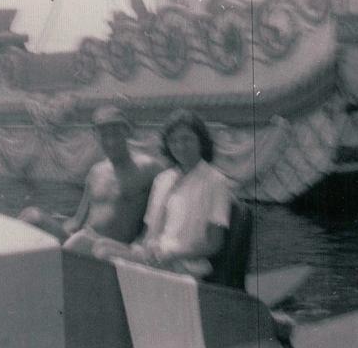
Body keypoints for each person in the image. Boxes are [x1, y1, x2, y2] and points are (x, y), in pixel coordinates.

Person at [93, 109, 231, 278]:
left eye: (187, 139)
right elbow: (149, 231)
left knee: (104, 255)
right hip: (156, 255)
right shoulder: (163, 179)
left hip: (184, 263)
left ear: (201, 141)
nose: (180, 146)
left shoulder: (216, 181)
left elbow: (214, 243)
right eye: (173, 141)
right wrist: (142, 249)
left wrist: (172, 254)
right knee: (100, 245)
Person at [19, 105, 163, 253]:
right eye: (104, 135)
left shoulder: (149, 168)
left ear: (127, 132)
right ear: (96, 136)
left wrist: (143, 244)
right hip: (84, 241)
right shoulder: (96, 171)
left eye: (116, 133)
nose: (110, 141)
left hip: (112, 248)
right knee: (31, 216)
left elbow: (167, 207)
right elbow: (77, 220)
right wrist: (55, 231)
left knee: (78, 241)